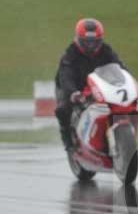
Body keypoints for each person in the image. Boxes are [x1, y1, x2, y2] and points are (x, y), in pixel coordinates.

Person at [54, 18, 127, 152]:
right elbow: (65, 75)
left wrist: (131, 84)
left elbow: (120, 67)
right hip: (75, 88)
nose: (91, 46)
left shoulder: (106, 50)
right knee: (62, 109)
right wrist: (73, 93)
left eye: (94, 42)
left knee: (121, 105)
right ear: (78, 39)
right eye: (86, 42)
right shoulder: (70, 54)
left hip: (100, 86)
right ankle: (67, 140)